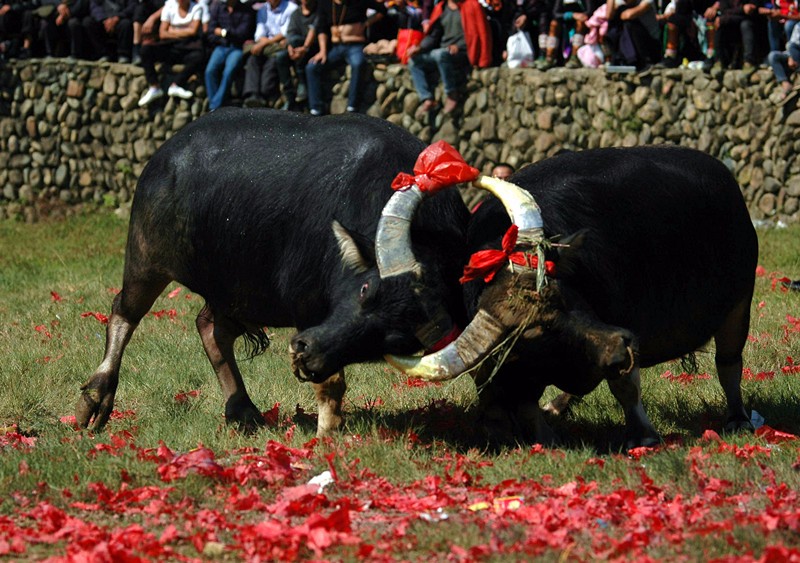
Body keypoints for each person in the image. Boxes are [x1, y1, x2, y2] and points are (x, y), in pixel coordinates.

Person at [406, 0, 492, 119]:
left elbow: (478, 34)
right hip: (443, 51)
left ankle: (452, 93)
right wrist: (419, 48)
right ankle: (426, 98)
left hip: (463, 53)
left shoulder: (472, 5)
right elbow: (434, 36)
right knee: (414, 62)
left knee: (441, 55)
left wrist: (460, 47)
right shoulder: (441, 8)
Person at [306, 0, 386, 115]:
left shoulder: (358, 2)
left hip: (355, 45)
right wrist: (322, 51)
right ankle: (316, 108)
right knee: (312, 67)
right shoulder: (325, 3)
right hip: (336, 47)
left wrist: (367, 23)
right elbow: (321, 28)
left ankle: (352, 107)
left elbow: (382, 9)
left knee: (358, 63)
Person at [137, 0, 205, 106]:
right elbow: (162, 33)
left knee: (200, 57)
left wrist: (172, 30)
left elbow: (193, 31)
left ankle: (177, 84)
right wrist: (184, 32)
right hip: (170, 47)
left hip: (189, 48)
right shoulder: (169, 6)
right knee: (146, 50)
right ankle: (154, 86)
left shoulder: (197, 8)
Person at [241, 0, 296, 107]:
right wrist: (265, 43)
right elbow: (259, 34)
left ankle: (265, 94)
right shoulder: (263, 10)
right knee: (253, 59)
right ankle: (252, 94)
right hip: (266, 46)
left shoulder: (291, 8)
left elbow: (285, 33)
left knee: (272, 62)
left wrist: (265, 43)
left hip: (278, 47)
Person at [205, 0, 256, 111]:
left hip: (237, 48)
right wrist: (225, 36)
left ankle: (214, 107)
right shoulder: (218, 8)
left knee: (229, 71)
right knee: (210, 71)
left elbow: (242, 34)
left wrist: (224, 32)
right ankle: (215, 106)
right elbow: (211, 32)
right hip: (221, 46)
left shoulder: (246, 10)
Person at [276, 0, 318, 108]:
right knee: (280, 57)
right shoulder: (296, 13)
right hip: (296, 49)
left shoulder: (319, 11)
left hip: (313, 48)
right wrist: (290, 48)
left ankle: (302, 82)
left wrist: (304, 48)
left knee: (296, 41)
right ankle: (289, 96)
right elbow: (290, 33)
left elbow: (314, 30)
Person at [604, 0, 662, 68]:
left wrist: (620, 11)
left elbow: (628, 15)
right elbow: (609, 16)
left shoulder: (647, 1)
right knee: (614, 27)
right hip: (634, 42)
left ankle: (640, 60)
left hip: (650, 44)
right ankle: (620, 58)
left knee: (629, 23)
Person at [713, 0, 760, 69]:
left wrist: (726, 17)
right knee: (720, 25)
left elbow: (750, 11)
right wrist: (742, 9)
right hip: (730, 22)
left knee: (745, 25)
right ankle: (719, 61)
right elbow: (724, 11)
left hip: (749, 22)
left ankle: (748, 62)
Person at [767, 21, 800, 103]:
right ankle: (785, 84)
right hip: (795, 56)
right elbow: (792, 43)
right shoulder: (798, 26)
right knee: (773, 56)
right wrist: (791, 55)